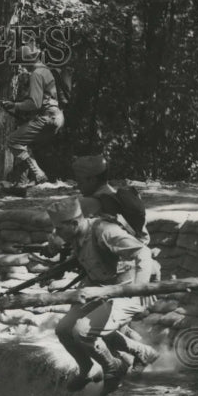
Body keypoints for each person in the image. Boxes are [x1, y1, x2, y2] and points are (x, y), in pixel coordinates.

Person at [48, 197, 155, 395]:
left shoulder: (105, 231)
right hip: (99, 289)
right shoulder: (77, 236)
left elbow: (143, 253)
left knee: (83, 332)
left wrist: (140, 289)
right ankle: (88, 368)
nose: (56, 233)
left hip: (128, 290)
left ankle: (113, 369)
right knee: (64, 329)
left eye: (59, 229)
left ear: (73, 223)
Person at [72, 154, 158, 371]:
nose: (78, 185)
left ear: (92, 179)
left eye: (81, 180)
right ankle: (140, 354)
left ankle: (134, 359)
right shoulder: (115, 197)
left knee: (92, 327)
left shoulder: (95, 203)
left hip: (122, 272)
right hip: (121, 267)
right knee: (99, 325)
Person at [2, 42, 64, 186]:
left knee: (13, 140)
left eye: (22, 62)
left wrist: (15, 105)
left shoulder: (36, 74)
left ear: (27, 60)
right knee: (24, 144)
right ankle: (21, 182)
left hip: (47, 117)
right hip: (57, 116)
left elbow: (34, 104)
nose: (23, 66)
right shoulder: (45, 70)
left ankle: (38, 175)